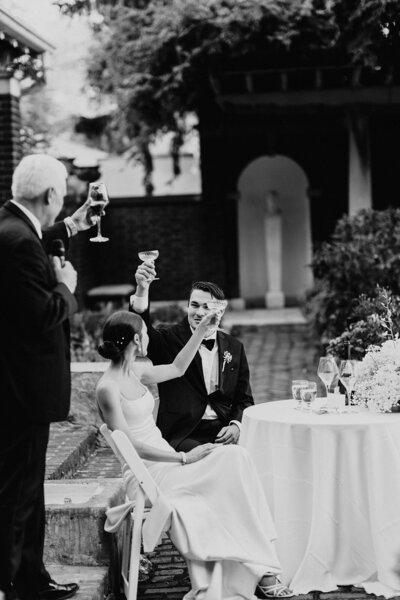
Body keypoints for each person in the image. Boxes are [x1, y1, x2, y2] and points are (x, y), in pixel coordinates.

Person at [96, 310, 293, 600]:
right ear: (137, 339)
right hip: (147, 474)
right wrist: (183, 458)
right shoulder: (107, 388)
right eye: (146, 333)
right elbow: (130, 445)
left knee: (237, 458)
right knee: (227, 474)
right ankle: (260, 568)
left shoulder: (135, 371)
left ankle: (260, 562)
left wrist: (200, 331)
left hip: (168, 460)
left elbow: (177, 367)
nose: (150, 336)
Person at [0, 154, 97, 600]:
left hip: (18, 391)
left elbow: (39, 240)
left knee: (27, 490)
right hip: (21, 391)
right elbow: (40, 314)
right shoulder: (18, 242)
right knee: (16, 496)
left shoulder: (13, 229)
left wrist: (72, 227)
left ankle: (31, 578)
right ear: (51, 195)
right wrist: (66, 289)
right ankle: (13, 585)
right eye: (61, 197)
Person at [130, 264, 253, 451]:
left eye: (207, 307)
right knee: (219, 459)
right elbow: (140, 326)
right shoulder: (168, 338)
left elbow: (244, 399)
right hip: (183, 432)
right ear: (188, 306)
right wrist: (142, 290)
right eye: (194, 305)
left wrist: (236, 425)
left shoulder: (235, 347)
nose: (199, 313)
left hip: (222, 429)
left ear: (219, 312)